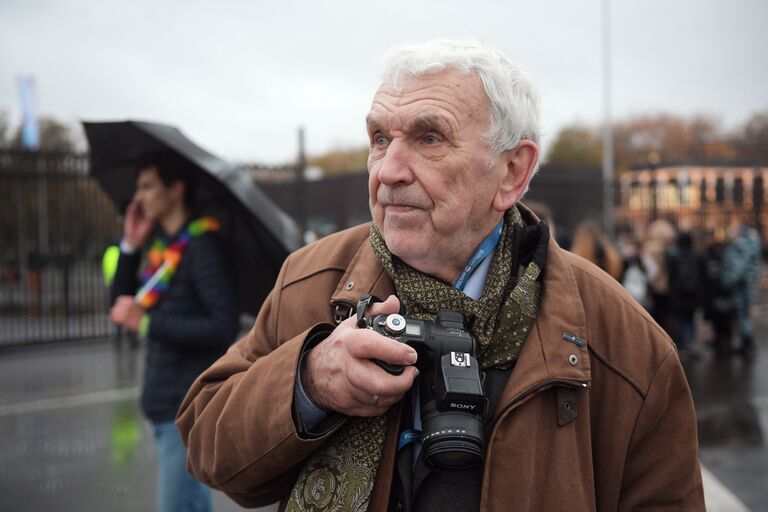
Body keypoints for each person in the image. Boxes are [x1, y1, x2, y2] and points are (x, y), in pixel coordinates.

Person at [177, 40, 704, 511]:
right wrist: (309, 381)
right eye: (380, 138)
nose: (388, 170)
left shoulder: (627, 345)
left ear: (512, 172)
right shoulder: (309, 279)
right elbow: (207, 448)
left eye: (429, 138)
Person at [110, 153, 238, 512]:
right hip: (162, 400)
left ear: (176, 189)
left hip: (185, 406)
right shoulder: (162, 247)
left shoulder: (203, 246)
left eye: (148, 186)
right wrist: (130, 246)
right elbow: (120, 308)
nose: (140, 198)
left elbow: (221, 326)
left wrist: (149, 324)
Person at [667, 231, 704, 359]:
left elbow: (671, 275)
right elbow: (702, 275)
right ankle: (691, 343)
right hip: (693, 294)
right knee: (691, 319)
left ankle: (682, 346)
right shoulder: (697, 255)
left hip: (679, 294)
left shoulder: (675, 256)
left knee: (681, 320)